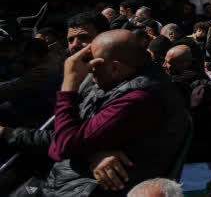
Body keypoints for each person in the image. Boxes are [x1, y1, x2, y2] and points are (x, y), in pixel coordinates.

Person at [42, 29, 189, 195]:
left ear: (114, 68)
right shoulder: (117, 81)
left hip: (91, 187)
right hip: (74, 176)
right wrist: (91, 152)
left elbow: (64, 144)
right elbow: (65, 134)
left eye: (93, 62)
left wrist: (69, 85)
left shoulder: (139, 99)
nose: (89, 69)